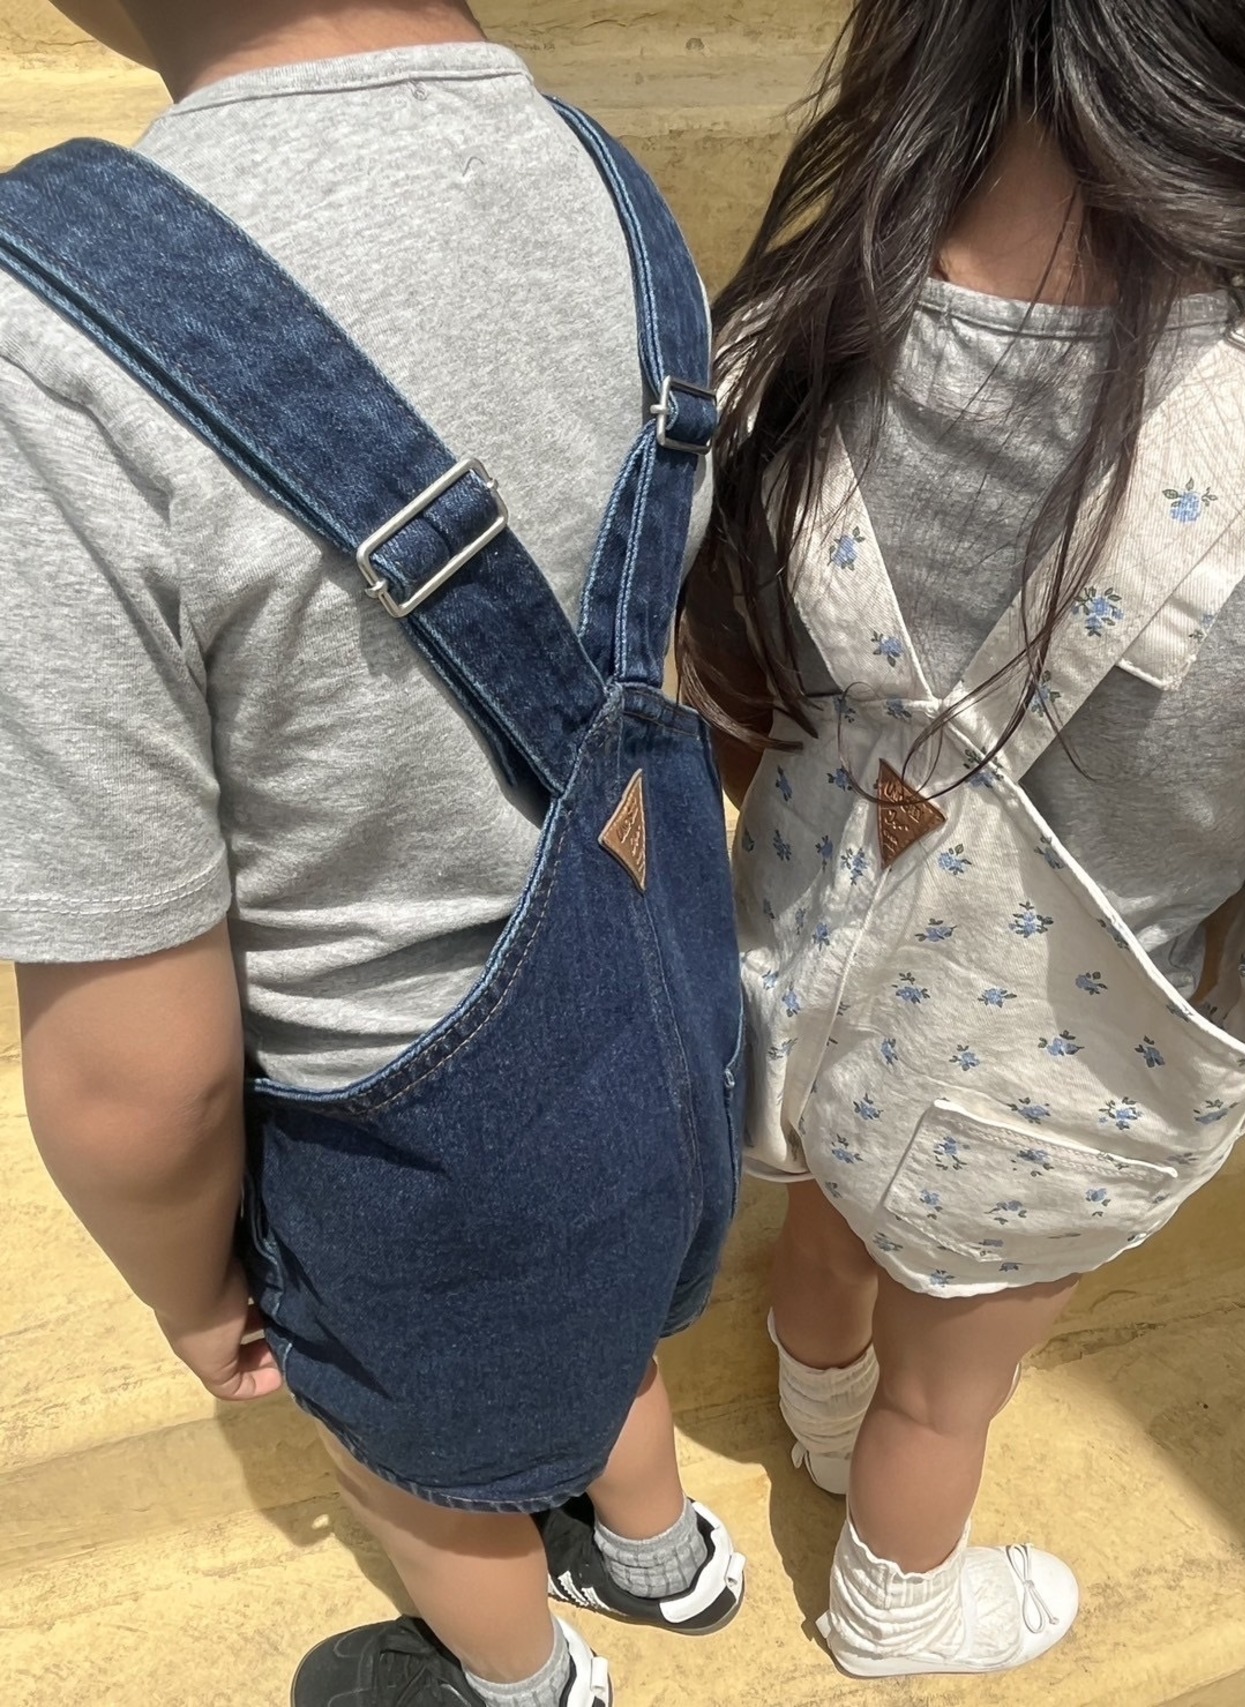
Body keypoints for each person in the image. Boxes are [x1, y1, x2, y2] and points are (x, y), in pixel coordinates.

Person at [0, 4, 747, 1704]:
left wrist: (194, 1294)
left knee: (427, 1479)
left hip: (411, 1148)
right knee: (612, 1332)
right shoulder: (611, 181)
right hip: (667, 1030)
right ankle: (666, 1561)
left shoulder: (44, 332)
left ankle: (522, 1680)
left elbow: (136, 1079)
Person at [680, 0, 1245, 1680]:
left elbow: (728, 693)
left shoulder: (792, 331)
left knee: (825, 1209)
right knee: (949, 1392)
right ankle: (897, 1609)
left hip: (813, 973)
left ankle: (814, 1404)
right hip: (1053, 1072)